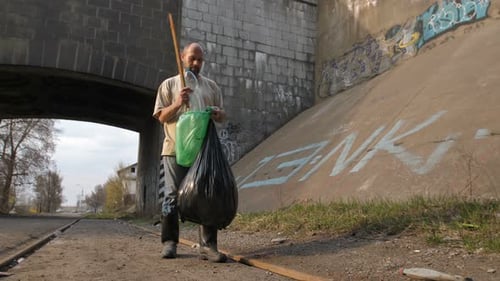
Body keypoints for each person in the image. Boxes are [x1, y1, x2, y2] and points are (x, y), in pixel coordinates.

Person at [152, 42, 227, 263]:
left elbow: (223, 116)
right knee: (172, 195)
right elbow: (161, 116)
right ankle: (169, 242)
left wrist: (216, 113)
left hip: (202, 152)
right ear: (182, 57)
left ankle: (208, 246)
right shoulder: (169, 85)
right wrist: (177, 103)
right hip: (175, 149)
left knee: (208, 195)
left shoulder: (211, 87)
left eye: (200, 60)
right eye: (192, 58)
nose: (196, 63)